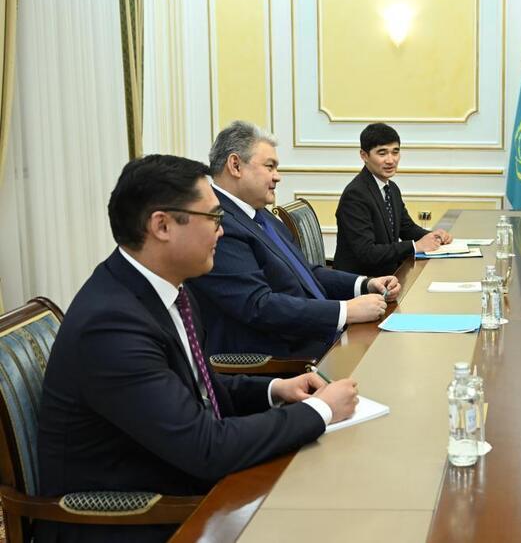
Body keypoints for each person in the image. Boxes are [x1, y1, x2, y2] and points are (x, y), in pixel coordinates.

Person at [36, 155, 360, 542]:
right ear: (162, 225)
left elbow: (195, 386)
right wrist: (320, 411)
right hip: (131, 520)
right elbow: (206, 449)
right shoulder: (111, 326)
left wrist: (276, 389)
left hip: (184, 483)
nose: (222, 232)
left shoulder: (168, 290)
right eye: (214, 218)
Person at [188, 121, 400, 359]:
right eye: (270, 166)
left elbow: (305, 272)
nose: (277, 177)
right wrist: (345, 311)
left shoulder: (259, 213)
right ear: (235, 165)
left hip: (316, 335)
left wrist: (364, 284)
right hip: (285, 357)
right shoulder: (219, 224)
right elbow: (258, 306)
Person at [333, 122, 454, 277]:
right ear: (364, 155)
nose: (390, 160)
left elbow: (407, 228)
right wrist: (415, 246)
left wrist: (434, 236)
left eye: (395, 152)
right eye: (382, 153)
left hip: (388, 275)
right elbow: (367, 253)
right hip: (363, 281)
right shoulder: (355, 195)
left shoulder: (391, 188)